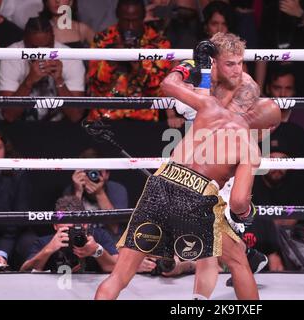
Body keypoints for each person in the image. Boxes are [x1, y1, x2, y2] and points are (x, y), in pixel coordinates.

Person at [95, 33, 278, 300]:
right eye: (230, 64)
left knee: (121, 275)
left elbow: (172, 85)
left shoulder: (224, 98)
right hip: (199, 190)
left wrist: (190, 69)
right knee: (238, 259)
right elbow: (239, 201)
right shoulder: (248, 147)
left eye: (240, 63)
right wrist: (246, 212)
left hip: (165, 181)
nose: (238, 70)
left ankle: (197, 300)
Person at [86, 0, 171, 121]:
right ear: (118, 16)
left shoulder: (158, 43)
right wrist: (111, 61)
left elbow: (160, 92)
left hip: (143, 119)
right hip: (105, 117)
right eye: (126, 20)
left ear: (143, 17)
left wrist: (138, 67)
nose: (130, 26)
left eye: (135, 20)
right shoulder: (103, 39)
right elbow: (95, 89)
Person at [0, 16, 86, 123]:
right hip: (20, 127)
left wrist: (59, 81)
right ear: (24, 41)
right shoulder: (11, 55)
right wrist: (28, 81)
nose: (41, 53)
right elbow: (9, 115)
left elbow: (76, 116)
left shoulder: (69, 57)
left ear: (53, 38)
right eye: (35, 48)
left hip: (60, 128)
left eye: (47, 47)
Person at [21, 195, 118, 272]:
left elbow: (117, 269)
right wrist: (48, 250)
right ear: (55, 225)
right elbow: (25, 272)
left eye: (75, 227)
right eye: (67, 228)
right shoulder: (44, 243)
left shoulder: (99, 236)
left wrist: (97, 251)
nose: (72, 232)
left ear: (86, 224)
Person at [0, 126, 30, 269]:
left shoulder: (17, 173)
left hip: (10, 231)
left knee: (29, 242)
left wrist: (2, 252)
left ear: (5, 149)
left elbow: (19, 215)